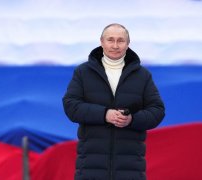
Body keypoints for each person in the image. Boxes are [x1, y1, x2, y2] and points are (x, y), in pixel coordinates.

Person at [63, 23, 165, 180]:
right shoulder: (83, 72)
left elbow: (157, 110)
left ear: (128, 44)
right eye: (110, 40)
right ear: (101, 42)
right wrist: (104, 114)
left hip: (130, 169)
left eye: (120, 40)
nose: (115, 45)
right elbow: (71, 106)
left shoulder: (142, 75)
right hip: (90, 169)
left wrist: (132, 119)